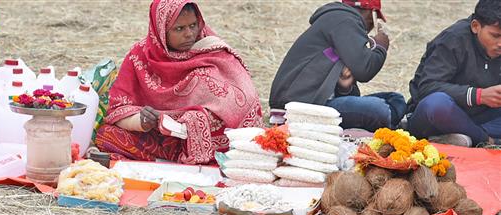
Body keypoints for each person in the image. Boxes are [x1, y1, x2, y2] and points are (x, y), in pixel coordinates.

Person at [94, 0, 263, 165]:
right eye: (179, 28)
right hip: (161, 138)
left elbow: (243, 103)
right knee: (106, 135)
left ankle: (166, 164)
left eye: (193, 25)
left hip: (212, 141)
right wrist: (142, 121)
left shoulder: (214, 53)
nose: (189, 33)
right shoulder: (140, 56)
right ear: (161, 32)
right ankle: (162, 164)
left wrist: (194, 121)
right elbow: (118, 109)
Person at [269, 0, 405, 133]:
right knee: (379, 109)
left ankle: (389, 120)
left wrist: (344, 88)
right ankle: (392, 122)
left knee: (395, 99)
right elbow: (365, 71)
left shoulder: (341, 23)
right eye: (374, 20)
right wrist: (380, 47)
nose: (370, 28)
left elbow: (349, 93)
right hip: (301, 106)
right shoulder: (344, 20)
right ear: (370, 13)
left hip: (315, 99)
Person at [407, 0, 501, 147]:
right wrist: (478, 95)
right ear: (476, 26)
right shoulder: (453, 39)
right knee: (437, 104)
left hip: (484, 118)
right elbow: (427, 88)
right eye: (495, 36)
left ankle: (464, 137)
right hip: (445, 116)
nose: (500, 43)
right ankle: (486, 141)